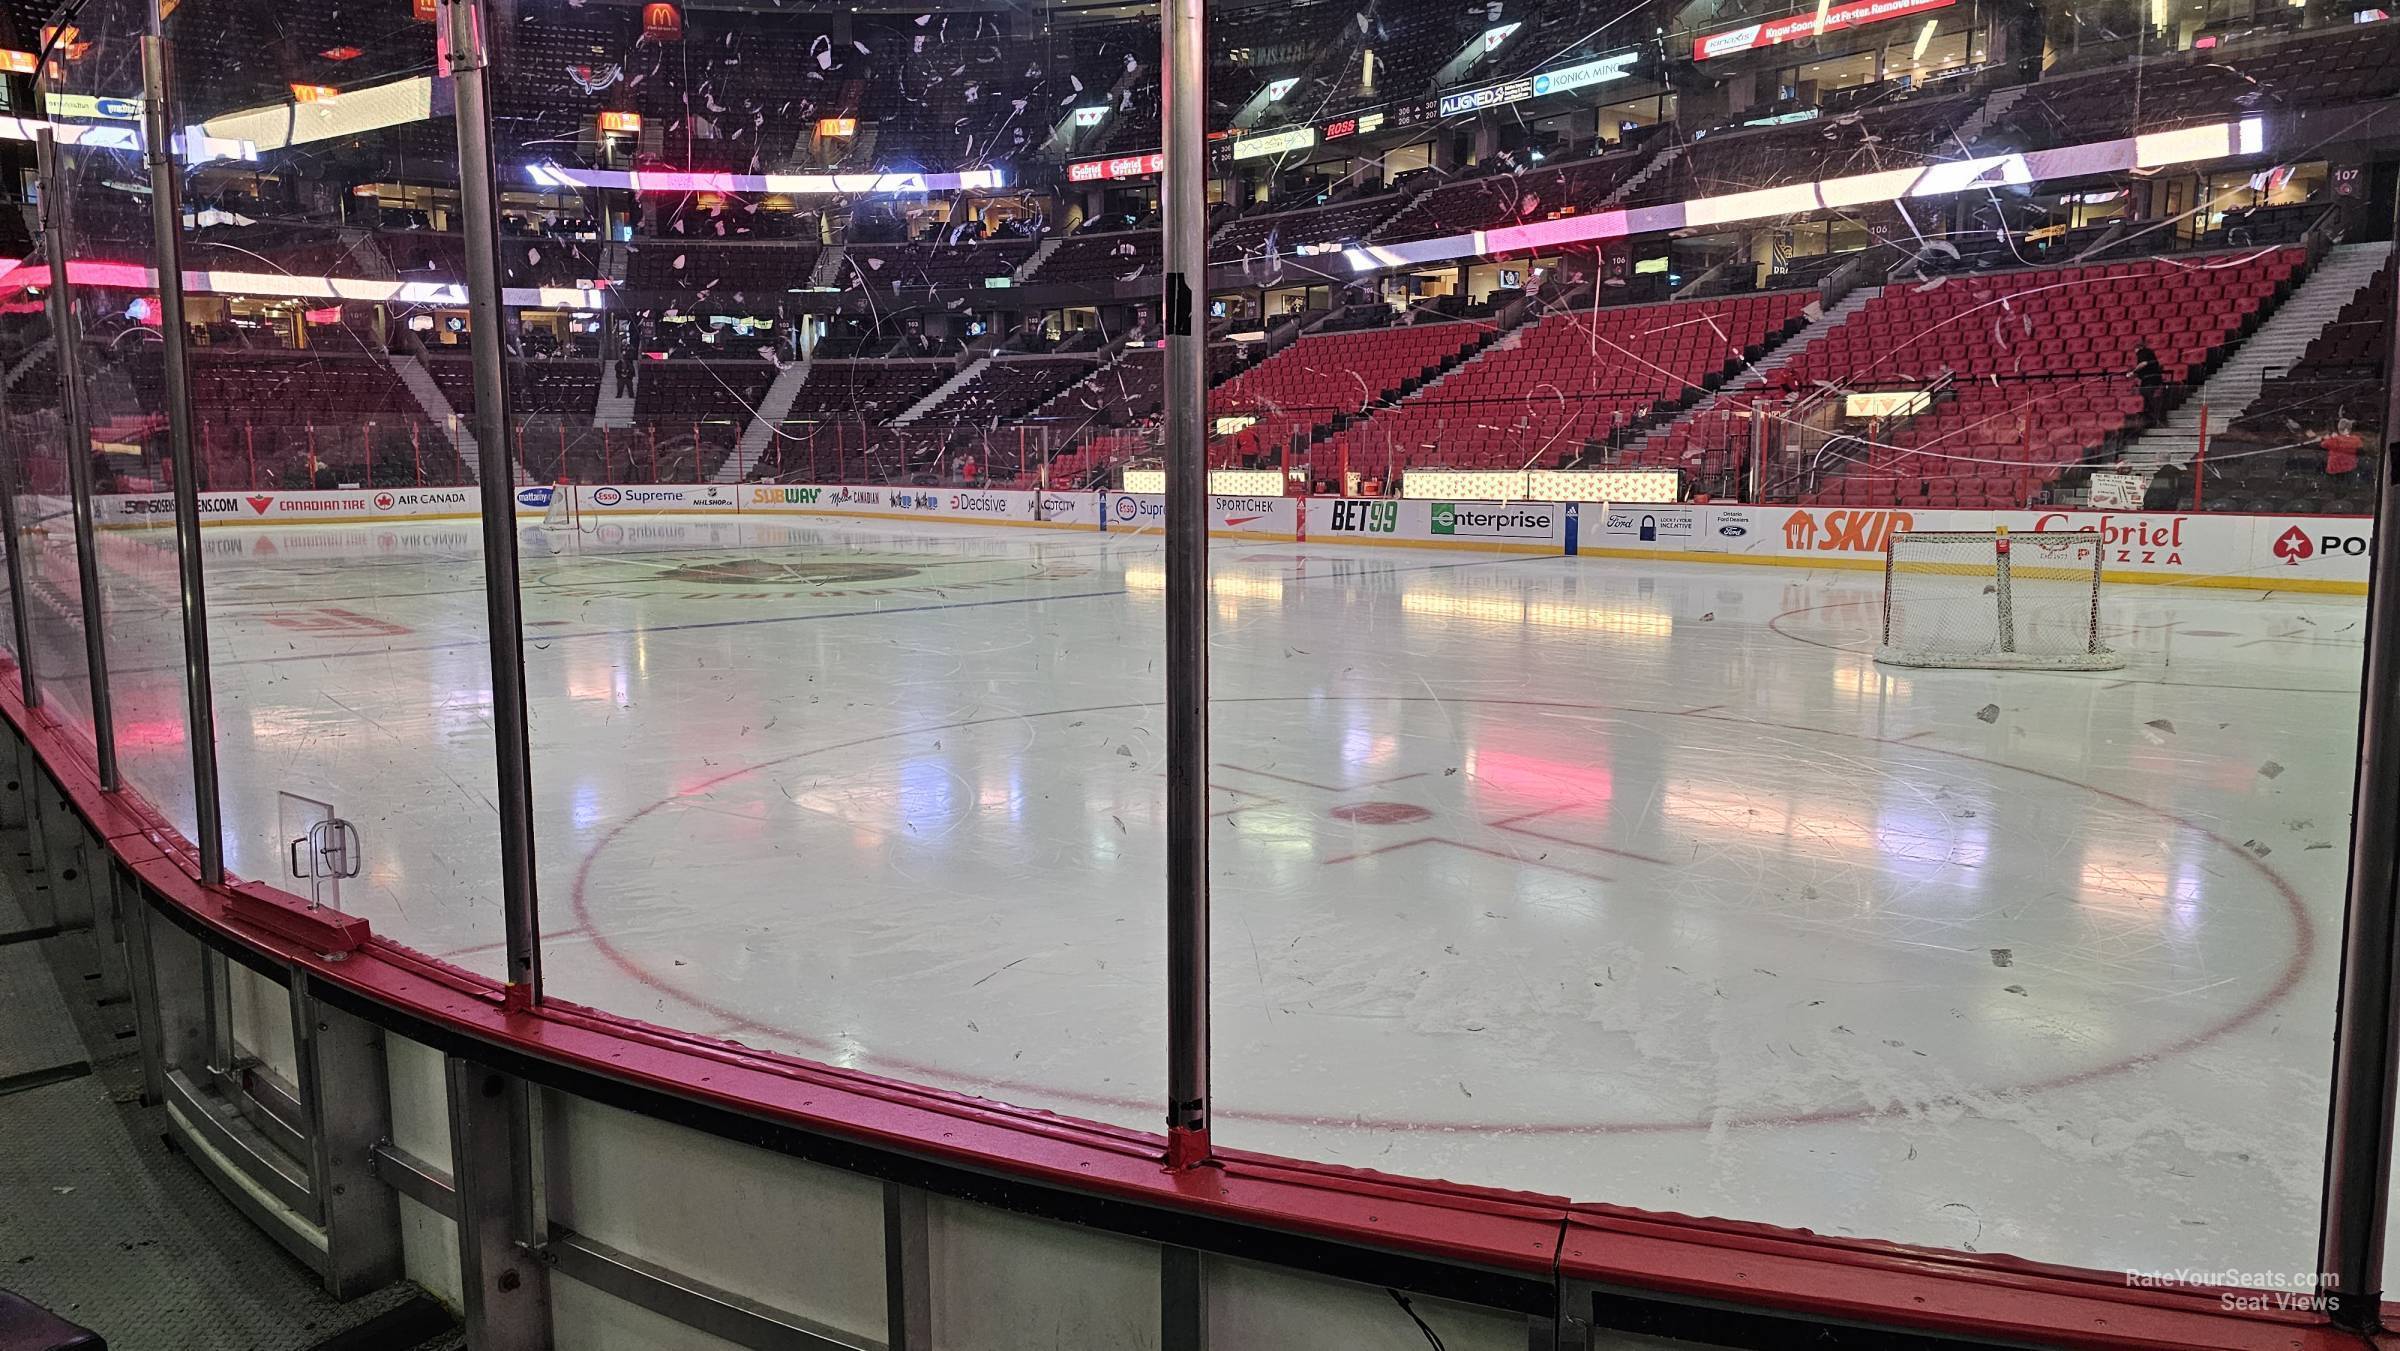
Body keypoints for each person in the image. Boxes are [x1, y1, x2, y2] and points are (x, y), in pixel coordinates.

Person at [2132, 344, 2166, 423]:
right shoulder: (2150, 354)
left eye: (2136, 351)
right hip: (2151, 379)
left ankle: (2155, 418)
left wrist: (2133, 371)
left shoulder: (2143, 352)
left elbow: (2143, 364)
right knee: (2147, 397)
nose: (2136, 354)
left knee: (2149, 397)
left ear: (2139, 348)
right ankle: (2152, 417)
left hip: (2150, 380)